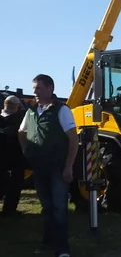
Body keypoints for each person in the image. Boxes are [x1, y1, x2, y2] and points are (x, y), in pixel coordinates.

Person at [18, 74, 78, 257]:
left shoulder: (61, 110)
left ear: (50, 88)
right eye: (34, 88)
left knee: (59, 207)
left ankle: (62, 249)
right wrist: (26, 150)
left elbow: (73, 138)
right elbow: (21, 131)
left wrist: (69, 166)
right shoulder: (31, 112)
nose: (34, 92)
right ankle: (48, 243)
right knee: (47, 208)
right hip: (39, 166)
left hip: (57, 166)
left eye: (38, 88)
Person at [0, 95, 27, 215]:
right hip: (16, 157)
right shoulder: (18, 119)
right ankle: (9, 209)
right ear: (16, 106)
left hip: (3, 158)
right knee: (15, 184)